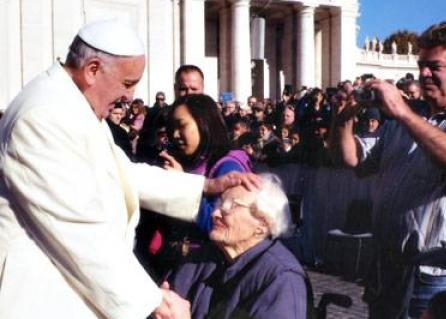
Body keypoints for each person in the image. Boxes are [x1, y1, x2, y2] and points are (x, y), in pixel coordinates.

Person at [0, 19, 258, 319]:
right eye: (126, 84)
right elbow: (79, 228)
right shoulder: (44, 115)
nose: (130, 96)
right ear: (93, 70)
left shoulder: (74, 105)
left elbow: (123, 172)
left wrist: (203, 186)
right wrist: (151, 300)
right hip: (42, 297)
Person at [331, 21, 446, 318]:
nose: (423, 74)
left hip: (442, 277)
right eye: (421, 65)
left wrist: (402, 112)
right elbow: (353, 162)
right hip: (390, 270)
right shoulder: (407, 121)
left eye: (435, 66)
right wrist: (343, 118)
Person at [140, 94, 252, 279]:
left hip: (206, 271)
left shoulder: (227, 167)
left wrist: (182, 183)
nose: (175, 134)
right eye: (171, 128)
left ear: (203, 123)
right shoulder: (187, 160)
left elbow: (227, 227)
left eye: (182, 126)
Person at [167, 173, 308, 319]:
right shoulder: (201, 258)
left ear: (262, 225)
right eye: (219, 204)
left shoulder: (281, 278)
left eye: (231, 206)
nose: (215, 213)